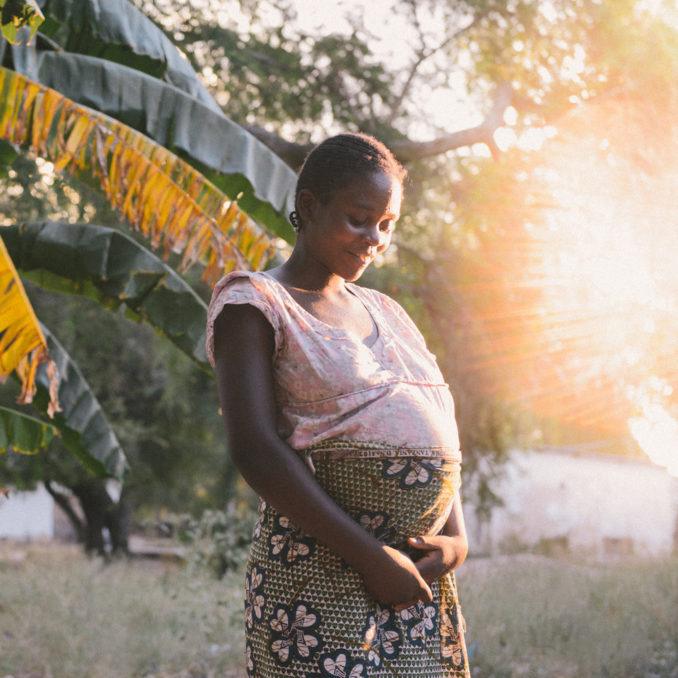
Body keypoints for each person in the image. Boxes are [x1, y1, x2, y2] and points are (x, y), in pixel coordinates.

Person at [206, 133, 471, 677]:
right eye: (359, 218)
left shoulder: (388, 312)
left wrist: (456, 541)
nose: (374, 238)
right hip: (318, 582)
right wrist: (371, 559)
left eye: (387, 225)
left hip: (412, 585)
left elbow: (435, 422)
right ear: (309, 206)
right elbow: (255, 449)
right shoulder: (254, 304)